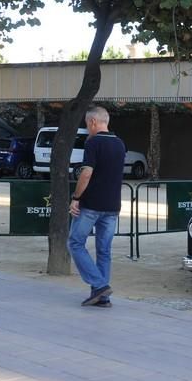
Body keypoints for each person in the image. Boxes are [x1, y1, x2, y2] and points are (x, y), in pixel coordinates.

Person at [68, 106, 126, 307]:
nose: (87, 128)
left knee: (75, 243)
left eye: (87, 124)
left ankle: (99, 285)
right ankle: (103, 298)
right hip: (112, 206)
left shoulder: (93, 143)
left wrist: (76, 197)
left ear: (93, 122)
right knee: (104, 251)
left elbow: (86, 173)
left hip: (91, 205)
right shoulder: (120, 143)